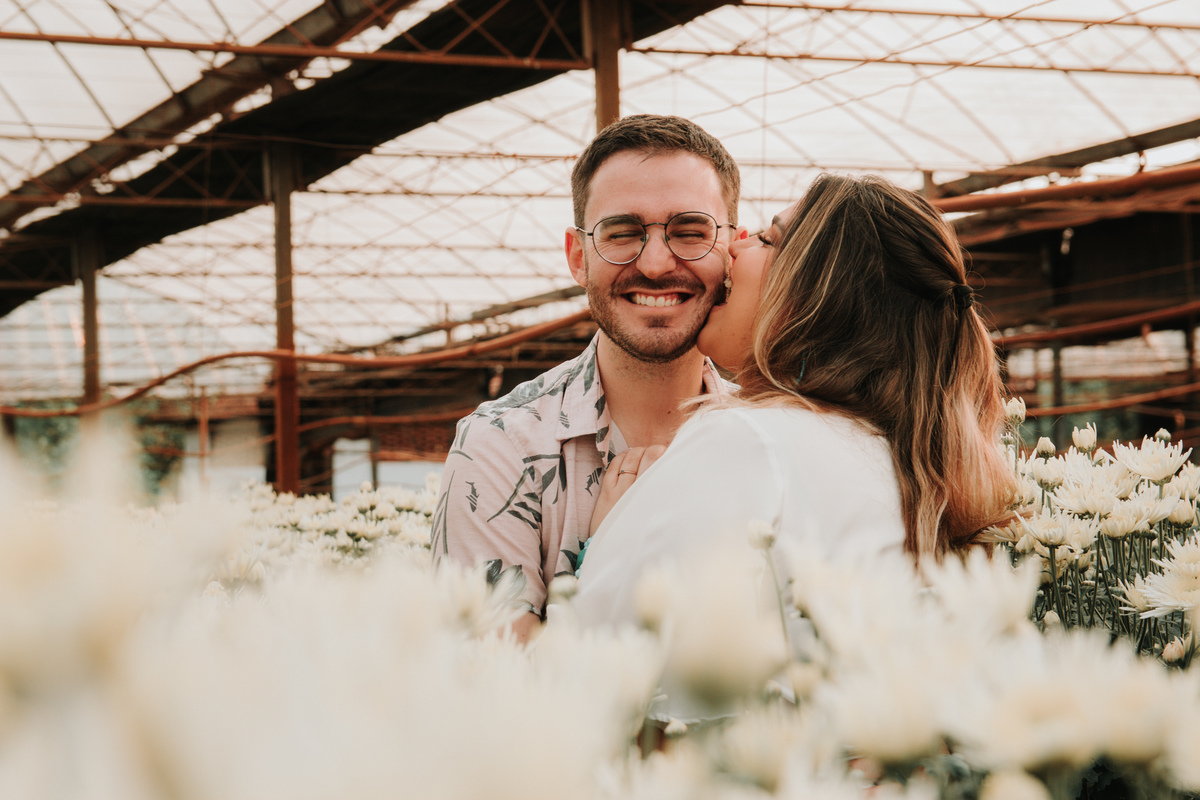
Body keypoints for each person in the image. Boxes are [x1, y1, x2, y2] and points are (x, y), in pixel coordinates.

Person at [575, 173, 1019, 650]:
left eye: (767, 240)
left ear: (816, 296)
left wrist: (608, 539)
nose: (736, 246)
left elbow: (597, 652)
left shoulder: (746, 438)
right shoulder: (903, 456)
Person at [430, 115, 740, 642]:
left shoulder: (768, 435)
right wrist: (608, 554)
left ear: (732, 247)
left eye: (691, 232)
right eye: (622, 233)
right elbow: (494, 680)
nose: (657, 264)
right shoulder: (499, 447)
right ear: (578, 257)